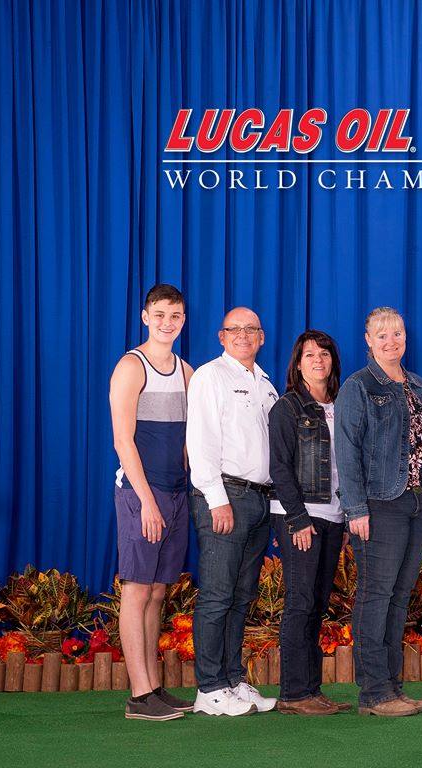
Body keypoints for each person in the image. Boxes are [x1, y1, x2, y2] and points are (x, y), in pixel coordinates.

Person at [335, 307, 422, 716]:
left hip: (420, 500)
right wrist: (356, 509)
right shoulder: (358, 386)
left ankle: (393, 687)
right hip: (380, 503)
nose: (391, 341)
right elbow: (346, 451)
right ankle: (374, 692)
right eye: (382, 335)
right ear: (368, 340)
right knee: (376, 594)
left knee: (401, 596)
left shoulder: (419, 386)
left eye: (397, 333)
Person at [186, 307, 279, 716]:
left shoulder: (265, 384)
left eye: (251, 329)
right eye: (234, 329)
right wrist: (215, 497)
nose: (243, 335)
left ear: (261, 337)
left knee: (242, 597)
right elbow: (200, 438)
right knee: (218, 595)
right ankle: (209, 688)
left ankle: (232, 680)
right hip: (226, 495)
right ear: (221, 337)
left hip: (259, 499)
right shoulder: (211, 376)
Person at [109, 283, 195, 721]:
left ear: (183, 321)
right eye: (159, 315)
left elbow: (189, 440)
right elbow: (123, 441)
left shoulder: (186, 371)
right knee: (138, 588)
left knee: (159, 590)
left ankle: (154, 687)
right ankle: (139, 695)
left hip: (176, 492)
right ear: (145, 317)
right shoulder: (131, 366)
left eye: (175, 316)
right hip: (142, 493)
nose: (167, 323)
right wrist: (146, 501)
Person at [268, 330, 350, 715]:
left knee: (317, 604)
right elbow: (279, 468)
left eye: (324, 354)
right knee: (300, 602)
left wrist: (346, 516)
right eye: (309, 354)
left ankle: (312, 690)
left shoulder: (341, 406)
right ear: (297, 364)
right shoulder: (287, 408)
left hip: (333, 515)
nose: (318, 360)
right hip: (300, 516)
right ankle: (293, 693)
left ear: (333, 360)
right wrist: (298, 518)